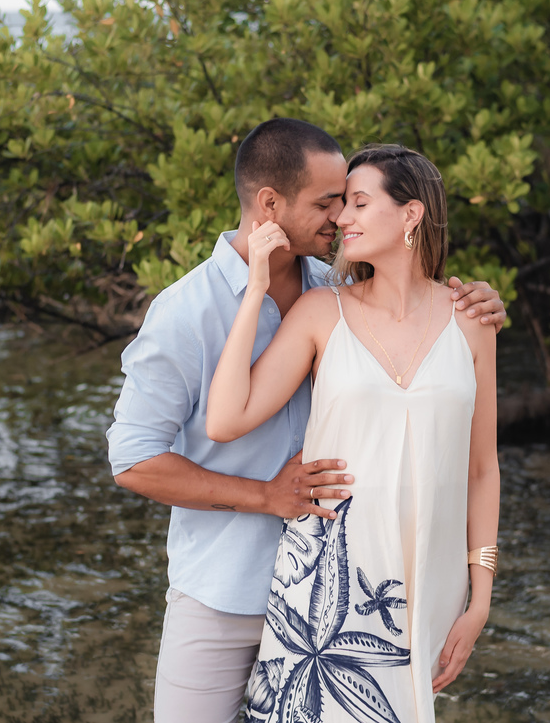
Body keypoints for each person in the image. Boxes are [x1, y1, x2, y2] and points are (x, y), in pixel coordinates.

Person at [106, 119, 506, 723]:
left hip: (353, 587)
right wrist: (266, 496)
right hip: (227, 589)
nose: (340, 217)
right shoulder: (186, 312)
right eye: (328, 203)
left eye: (351, 201)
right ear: (270, 205)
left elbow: (474, 459)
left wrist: (478, 305)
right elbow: (134, 460)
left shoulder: (334, 281)